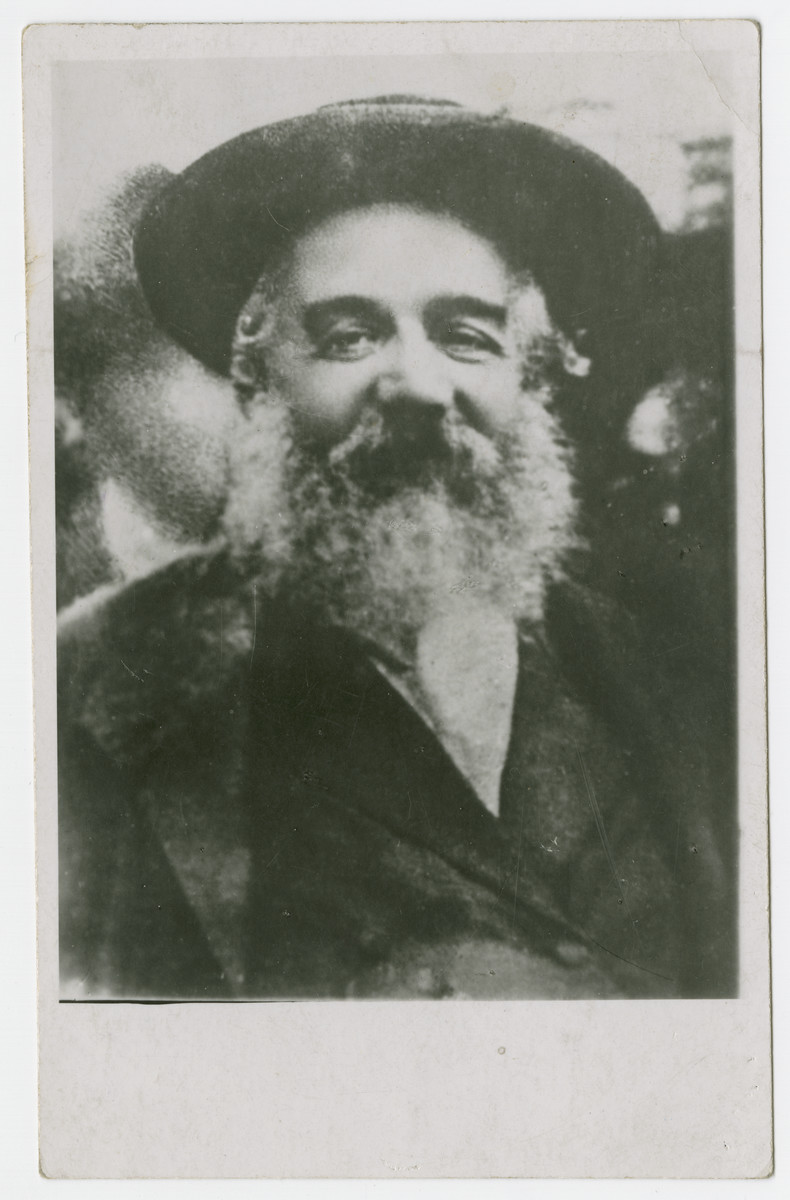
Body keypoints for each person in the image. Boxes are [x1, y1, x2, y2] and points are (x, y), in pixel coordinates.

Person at [57, 96, 732, 1000]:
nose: (417, 386)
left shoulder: (661, 670)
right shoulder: (101, 682)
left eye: (465, 336)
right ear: (257, 375)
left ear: (525, 377)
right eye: (350, 336)